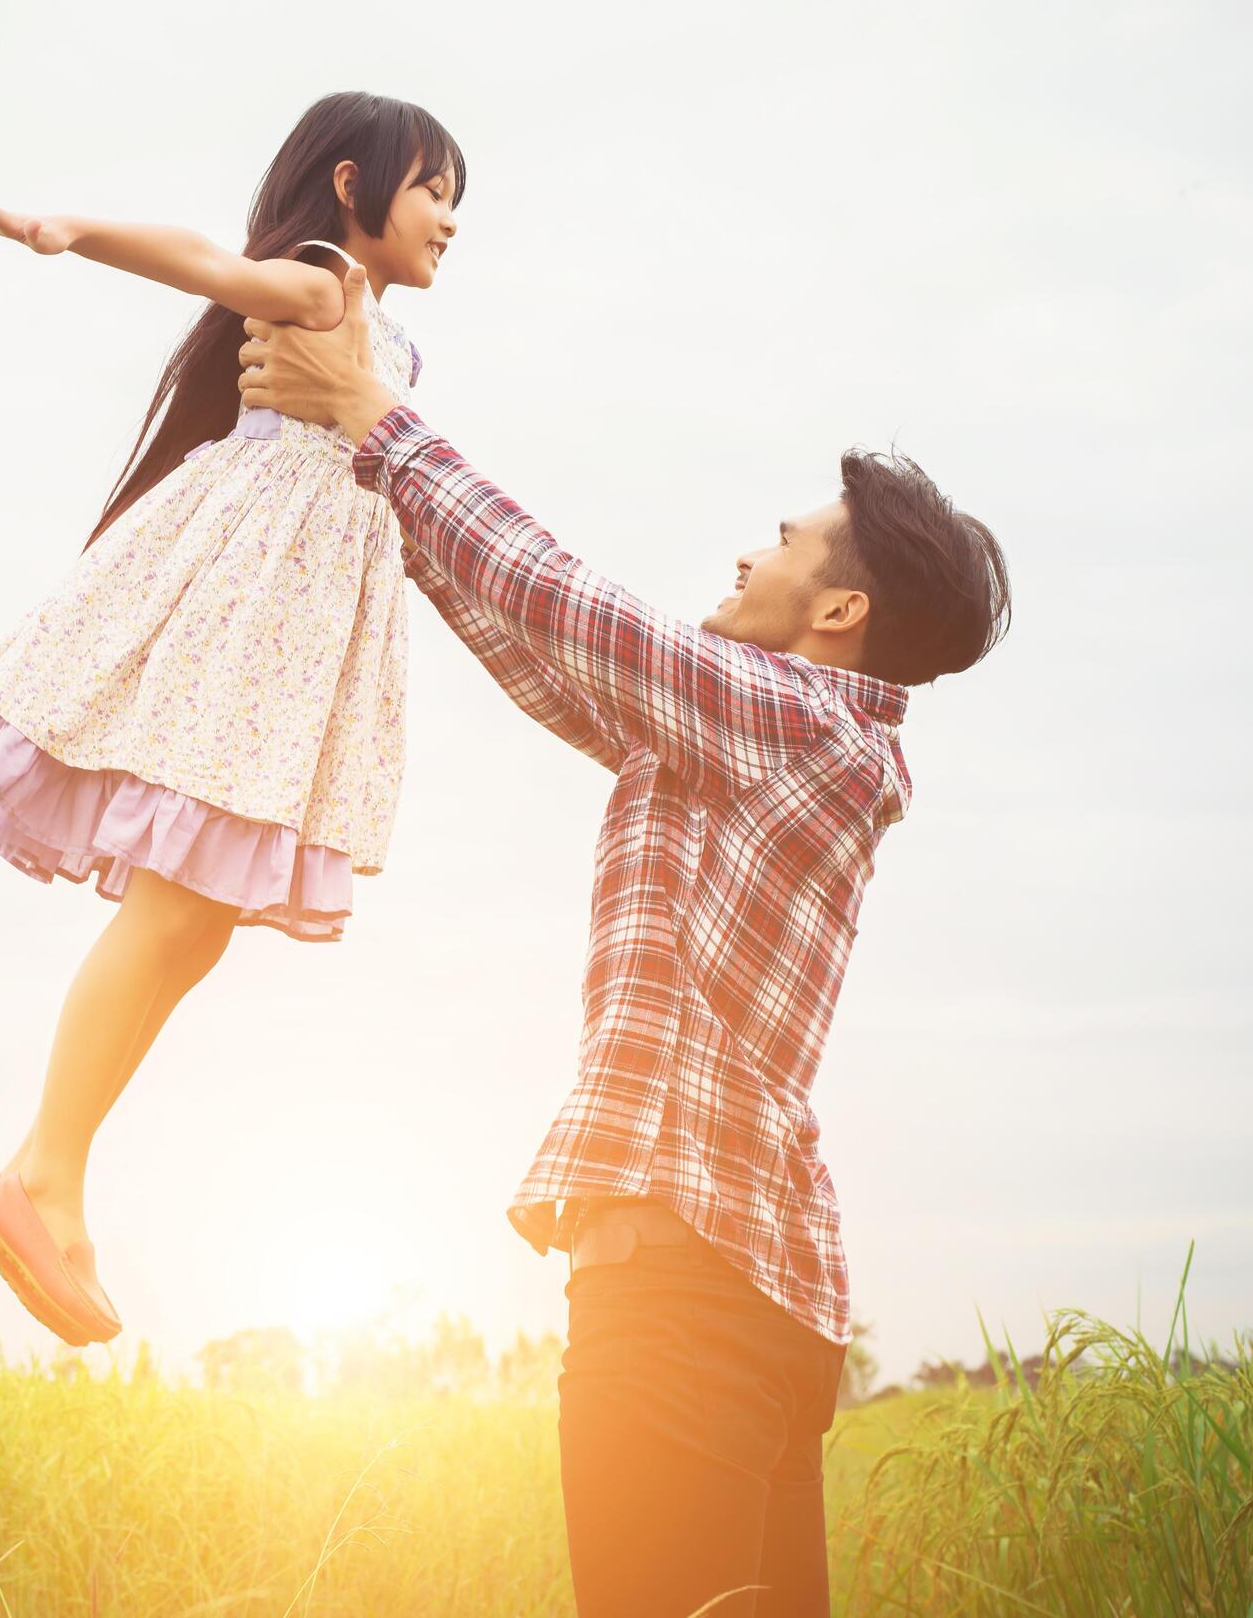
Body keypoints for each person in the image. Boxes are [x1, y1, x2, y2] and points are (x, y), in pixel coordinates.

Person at [236, 285, 1011, 1618]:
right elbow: (542, 648)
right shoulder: (753, 738)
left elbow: (569, 600)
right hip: (748, 1288)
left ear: (836, 614)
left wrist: (378, 418)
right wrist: (370, 489)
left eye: (780, 544)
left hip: (684, 1282)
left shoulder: (797, 725)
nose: (744, 557)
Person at [0, 92, 466, 1347]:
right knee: (179, 903)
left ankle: (56, 1179)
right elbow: (212, 265)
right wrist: (62, 230)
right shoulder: (325, 287)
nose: (451, 221)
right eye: (436, 191)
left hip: (284, 640)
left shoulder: (376, 338)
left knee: (196, 917)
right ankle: (44, 1170)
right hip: (251, 625)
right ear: (350, 186)